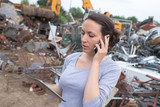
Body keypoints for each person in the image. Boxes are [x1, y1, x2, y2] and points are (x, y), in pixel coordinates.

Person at [32, 13, 122, 107]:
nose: (83, 39)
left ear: (105, 39)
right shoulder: (71, 58)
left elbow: (91, 105)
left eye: (91, 35)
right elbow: (63, 90)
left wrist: (95, 63)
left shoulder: (112, 69)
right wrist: (44, 89)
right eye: (83, 33)